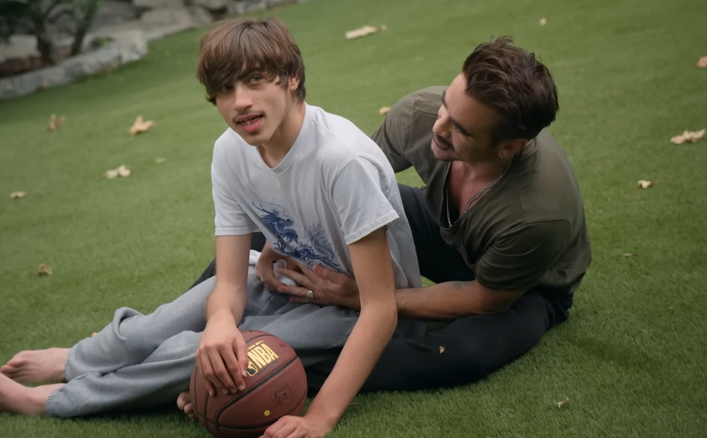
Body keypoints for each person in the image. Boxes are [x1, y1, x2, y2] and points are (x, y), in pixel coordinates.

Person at [0, 17, 424, 437]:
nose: (240, 103)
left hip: (348, 307)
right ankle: (76, 359)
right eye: (224, 90)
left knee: (198, 353)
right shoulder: (230, 151)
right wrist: (221, 317)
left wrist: (318, 418)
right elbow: (227, 279)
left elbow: (380, 309)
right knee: (158, 328)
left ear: (292, 77)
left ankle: (53, 400)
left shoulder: (342, 161)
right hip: (282, 279)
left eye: (255, 80)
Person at [191, 36, 592, 391]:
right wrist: (288, 232)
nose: (439, 127)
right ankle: (202, 325)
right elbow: (347, 185)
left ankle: (265, 374)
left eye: (461, 131)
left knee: (460, 354)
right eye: (446, 106)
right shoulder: (419, 114)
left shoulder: (538, 215)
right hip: (438, 223)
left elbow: (485, 298)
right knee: (274, 220)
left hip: (525, 285)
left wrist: (360, 298)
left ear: (509, 147)